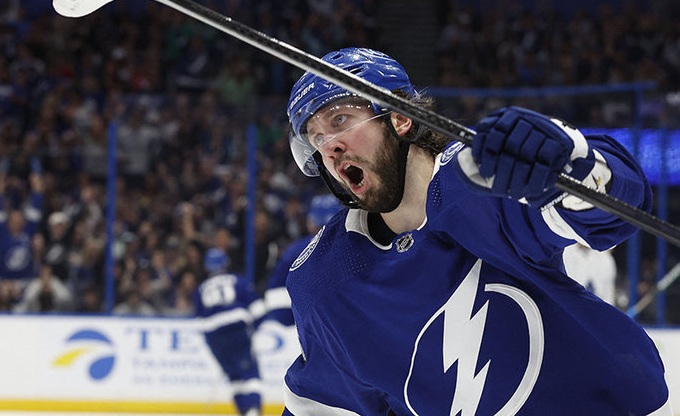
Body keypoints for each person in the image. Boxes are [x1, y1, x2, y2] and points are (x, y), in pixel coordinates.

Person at [281, 47, 671, 415]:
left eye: (340, 120)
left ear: (399, 117)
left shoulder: (477, 182)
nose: (328, 147)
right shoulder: (325, 281)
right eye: (315, 138)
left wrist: (577, 165)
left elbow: (617, 211)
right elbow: (325, 400)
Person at [194, 248, 266, 416]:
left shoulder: (201, 289)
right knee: (250, 372)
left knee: (233, 375)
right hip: (237, 329)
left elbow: (200, 323)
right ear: (225, 263)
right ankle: (253, 411)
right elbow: (259, 309)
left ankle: (243, 411)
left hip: (214, 336)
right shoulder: (237, 281)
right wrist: (252, 329)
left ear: (207, 267)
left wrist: (215, 346)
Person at [264, 194, 342, 326]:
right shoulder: (358, 245)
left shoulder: (295, 251)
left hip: (307, 328)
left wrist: (290, 321)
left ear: (311, 223)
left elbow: (277, 299)